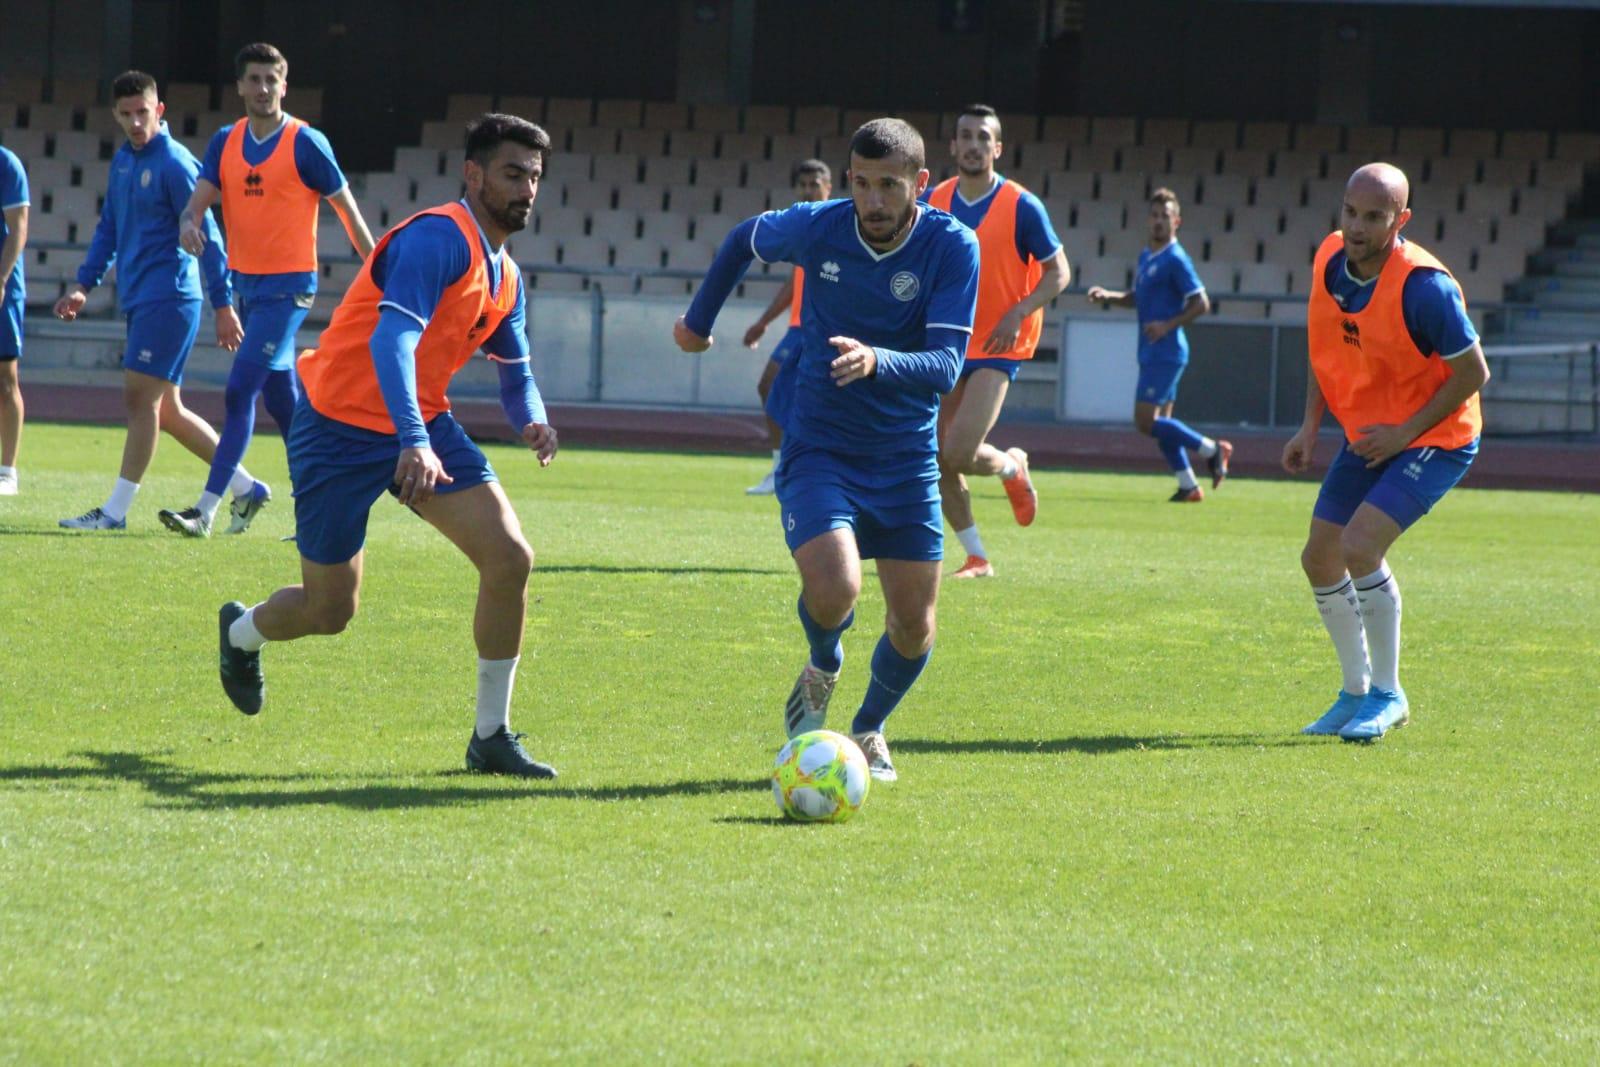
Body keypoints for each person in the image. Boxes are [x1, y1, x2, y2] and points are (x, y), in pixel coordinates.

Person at [216, 113, 561, 778]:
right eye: (513, 173)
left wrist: (533, 422)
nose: (526, 189)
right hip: (338, 427)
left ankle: (490, 734)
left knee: (510, 557)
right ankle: (241, 631)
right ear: (474, 174)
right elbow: (390, 342)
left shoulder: (506, 275)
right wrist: (412, 440)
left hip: (421, 426)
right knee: (330, 610)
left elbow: (517, 377)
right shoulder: (438, 239)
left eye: (536, 178)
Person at [674, 118, 980, 782]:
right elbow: (742, 240)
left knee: (913, 625)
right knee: (837, 587)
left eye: (889, 187)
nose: (873, 201)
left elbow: (948, 365)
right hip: (822, 448)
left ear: (920, 185)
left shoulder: (952, 246)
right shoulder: (820, 225)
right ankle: (824, 660)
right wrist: (697, 324)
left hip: (903, 459)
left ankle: (868, 726)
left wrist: (877, 360)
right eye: (862, 184)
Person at [1282, 162, 1488, 742]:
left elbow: (1474, 372)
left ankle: (1389, 693)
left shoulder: (1426, 287)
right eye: (1351, 212)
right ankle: (1353, 694)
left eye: (1375, 216)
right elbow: (1324, 347)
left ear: (1402, 219)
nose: (1358, 226)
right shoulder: (1328, 259)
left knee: (1359, 545)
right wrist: (1309, 427)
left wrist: (1404, 435)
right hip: (1370, 434)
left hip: (1438, 437)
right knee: (1319, 557)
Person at [160, 41, 377, 538]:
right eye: (254, 80)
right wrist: (189, 226)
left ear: (284, 85)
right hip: (249, 289)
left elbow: (346, 209)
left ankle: (206, 511)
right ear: (240, 86)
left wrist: (380, 269)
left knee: (239, 392)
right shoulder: (225, 142)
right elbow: (193, 208)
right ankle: (311, 508)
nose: (263, 89)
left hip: (291, 290)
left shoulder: (306, 142)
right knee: (288, 408)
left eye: (271, 80)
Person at [54, 71, 246, 530]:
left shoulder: (176, 163)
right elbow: (109, 232)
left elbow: (210, 236)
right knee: (169, 413)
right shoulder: (123, 162)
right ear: (116, 116)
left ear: (159, 110)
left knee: (139, 402)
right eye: (127, 114)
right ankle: (245, 487)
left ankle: (115, 512)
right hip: (142, 299)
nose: (137, 122)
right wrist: (84, 284)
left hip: (170, 298)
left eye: (144, 112)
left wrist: (223, 304)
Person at [925, 104, 1069, 578]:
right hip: (948, 341)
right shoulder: (934, 200)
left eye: (983, 137)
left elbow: (1058, 273)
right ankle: (977, 556)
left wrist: (1019, 310)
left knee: (960, 452)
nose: (973, 145)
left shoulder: (1022, 205)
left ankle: (1010, 467)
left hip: (1000, 342)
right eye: (965, 136)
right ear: (952, 146)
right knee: (936, 457)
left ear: (997, 147)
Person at [1085, 188, 1230, 502]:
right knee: (1161, 424)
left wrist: (1166, 325)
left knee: (1145, 422)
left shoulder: (1176, 259)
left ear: (1177, 221)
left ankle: (1212, 449)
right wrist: (1109, 297)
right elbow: (1140, 298)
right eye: (1154, 215)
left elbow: (1201, 303)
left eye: (1166, 216)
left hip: (1166, 351)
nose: (1159, 222)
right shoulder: (1147, 256)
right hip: (1151, 350)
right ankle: (1189, 485)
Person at [740, 159, 832, 495]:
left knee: (798, 394)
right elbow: (795, 283)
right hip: (799, 328)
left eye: (815, 184)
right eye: (803, 184)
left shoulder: (835, 225)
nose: (809, 190)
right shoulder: (802, 227)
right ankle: (783, 468)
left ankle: (798, 469)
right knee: (771, 386)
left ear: (829, 187)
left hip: (823, 327)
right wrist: (764, 322)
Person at [0, 145, 28, 495]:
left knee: (5, 379)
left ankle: (7, 471)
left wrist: (1, 279)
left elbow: (18, 228)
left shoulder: (7, 163)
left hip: (4, 289)